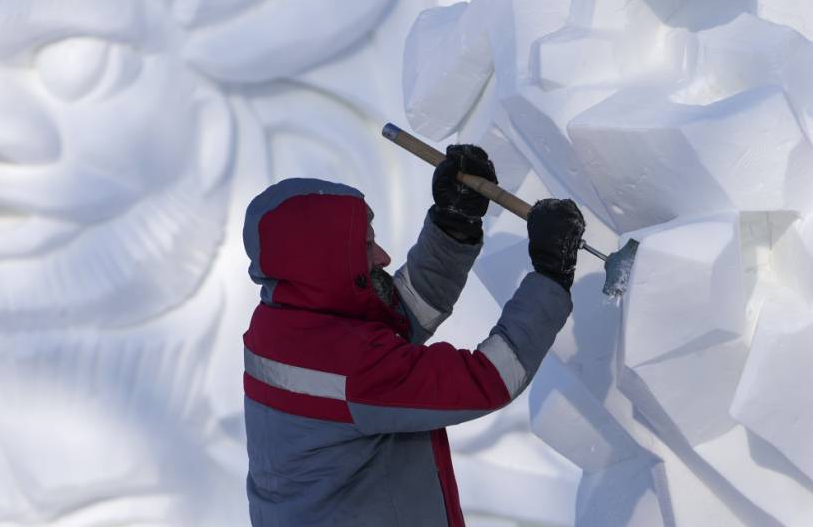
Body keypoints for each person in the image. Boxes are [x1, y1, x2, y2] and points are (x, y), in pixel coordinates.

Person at [242, 144, 586, 526]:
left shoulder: (281, 323)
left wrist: (453, 227)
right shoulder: (351, 367)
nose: (383, 257)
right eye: (366, 246)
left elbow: (396, 319)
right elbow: (489, 378)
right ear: (326, 265)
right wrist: (551, 277)